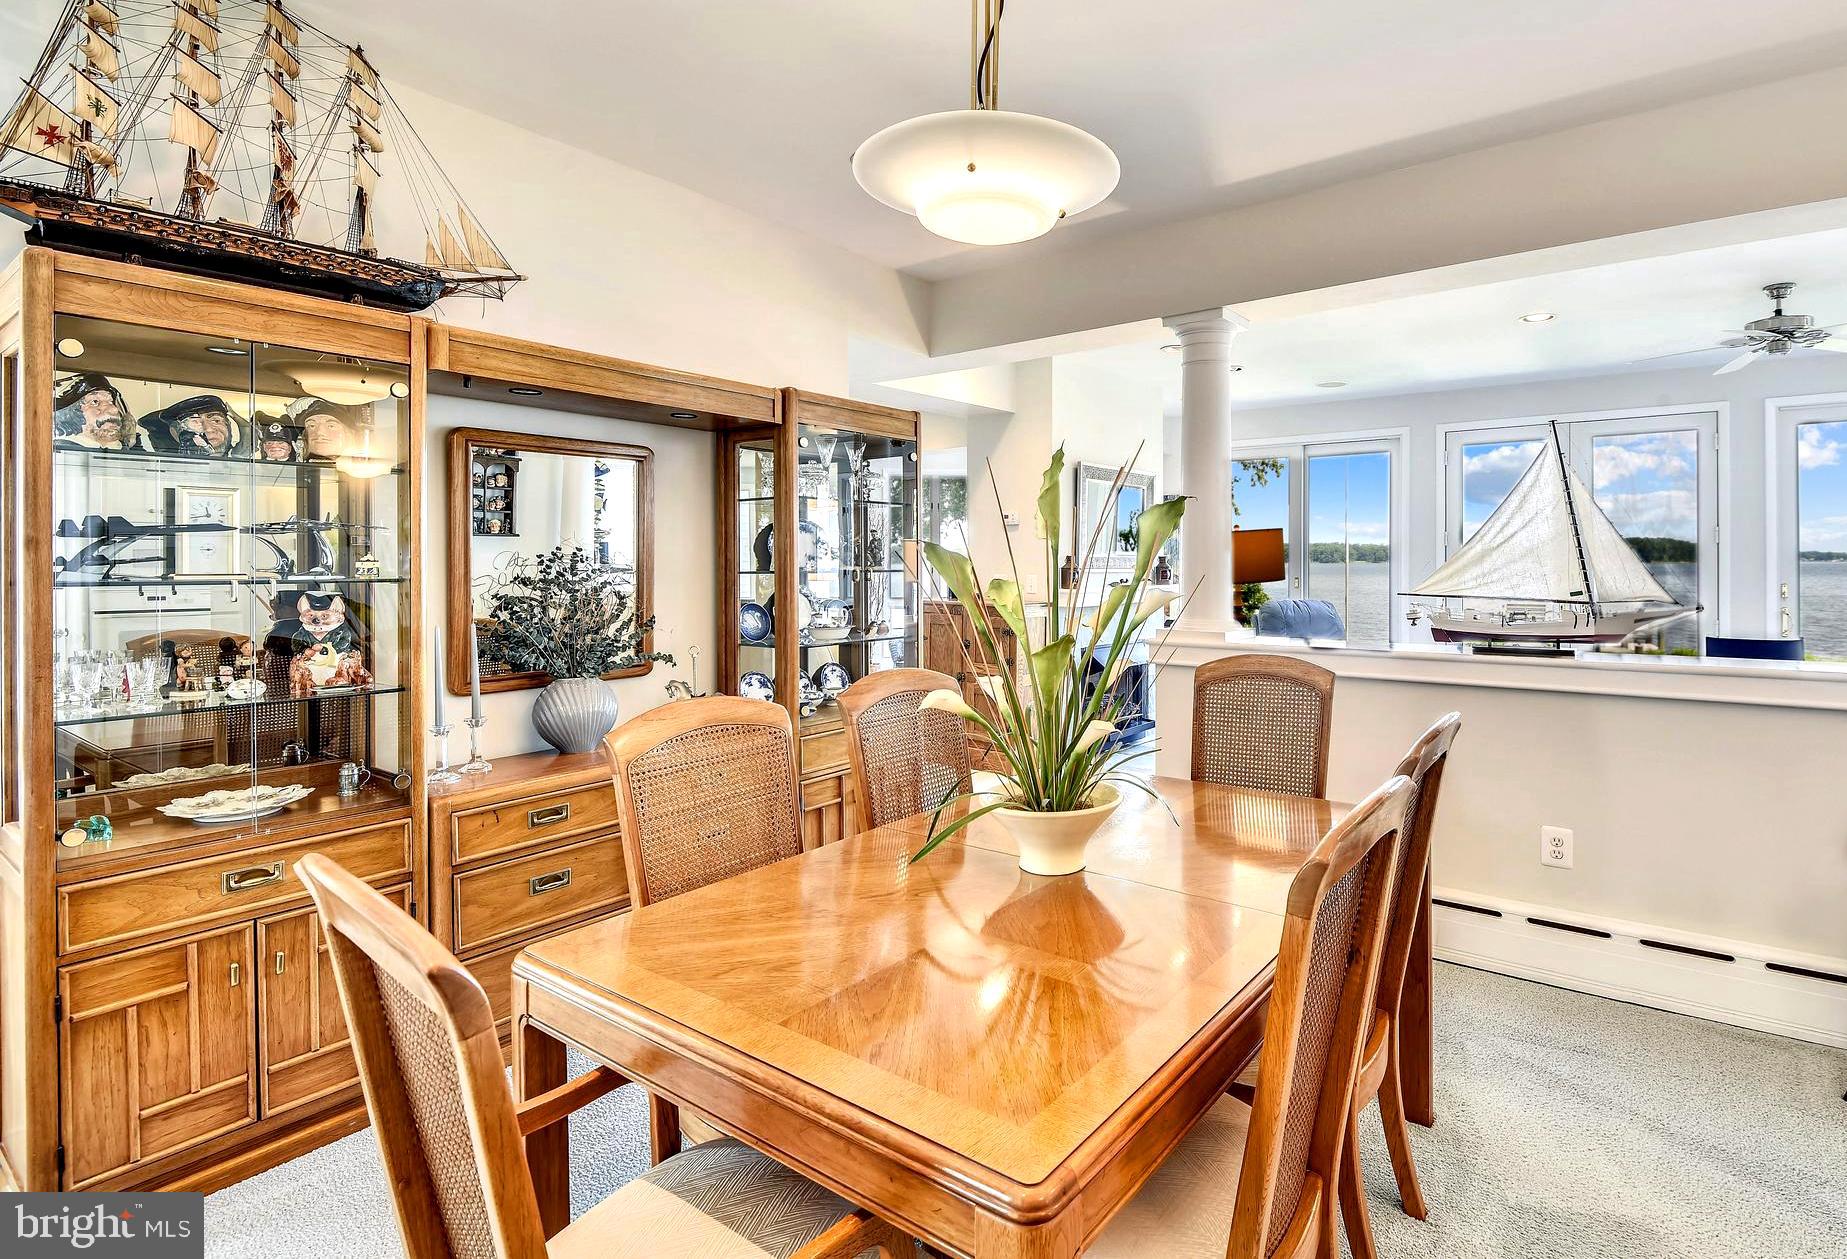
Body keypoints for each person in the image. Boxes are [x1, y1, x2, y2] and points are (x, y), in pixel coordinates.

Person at [52, 372, 148, 451]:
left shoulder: (127, 452)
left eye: (111, 401)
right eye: (95, 402)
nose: (114, 409)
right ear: (69, 413)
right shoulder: (61, 453)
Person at [145, 394, 246, 457]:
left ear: (228, 425)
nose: (209, 429)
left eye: (216, 420)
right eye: (194, 422)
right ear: (175, 433)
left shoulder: (237, 457)